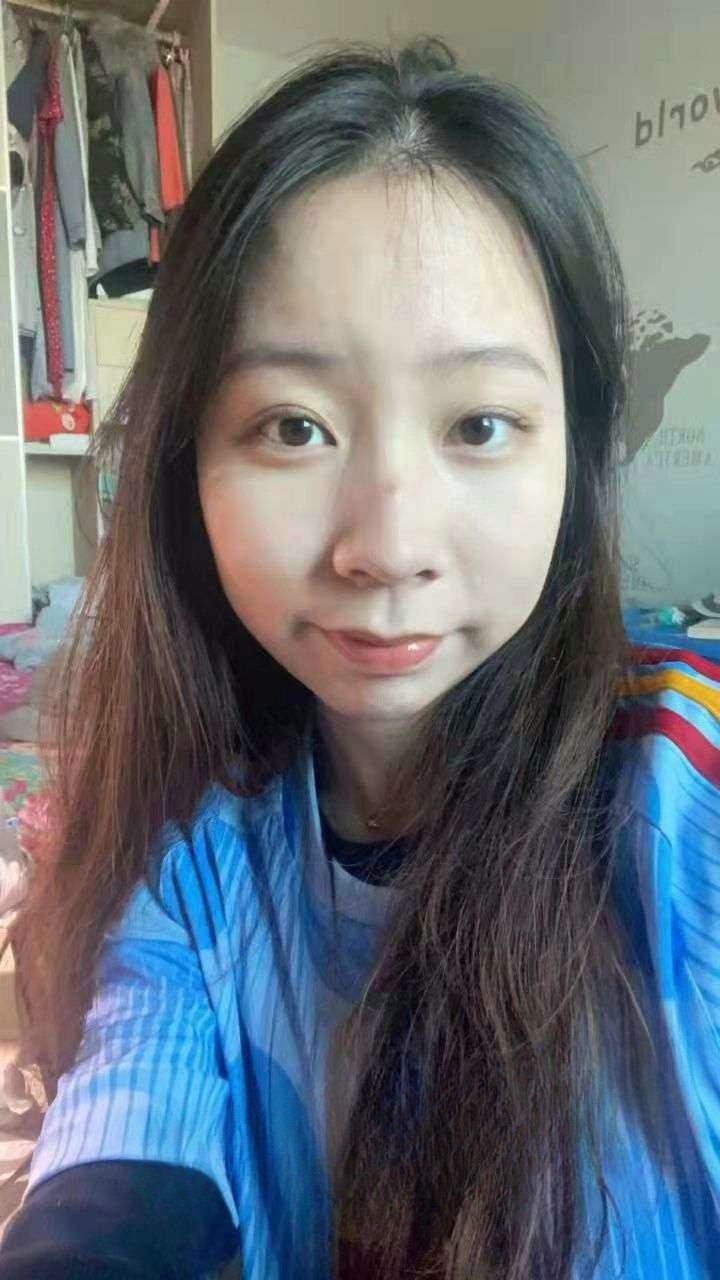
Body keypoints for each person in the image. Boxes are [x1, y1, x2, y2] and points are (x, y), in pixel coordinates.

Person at [0, 35, 718, 1280]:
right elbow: (118, 1178)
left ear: (576, 453)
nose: (386, 546)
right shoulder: (194, 859)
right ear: (186, 465)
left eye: (479, 424)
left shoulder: (679, 801)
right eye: (294, 426)